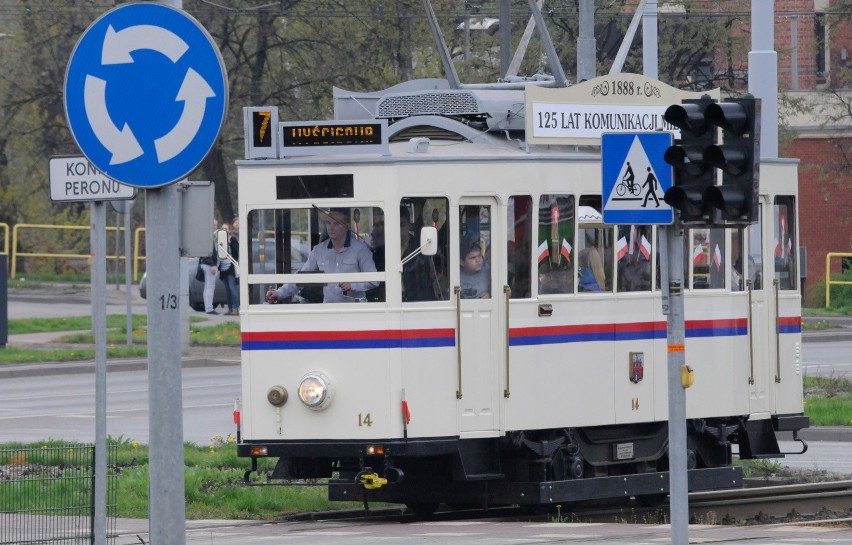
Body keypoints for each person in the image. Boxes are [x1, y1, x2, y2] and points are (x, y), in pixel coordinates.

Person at [266, 208, 378, 303]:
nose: (330, 227)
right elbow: (301, 277)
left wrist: (353, 285)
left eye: (336, 223)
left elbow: (374, 280)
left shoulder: (360, 249)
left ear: (347, 226)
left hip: (356, 314)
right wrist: (278, 293)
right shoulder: (319, 250)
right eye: (328, 223)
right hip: (327, 312)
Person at [400, 207, 438, 302]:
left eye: (402, 225)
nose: (398, 230)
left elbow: (425, 280)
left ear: (409, 225)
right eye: (395, 226)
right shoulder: (382, 251)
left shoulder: (421, 248)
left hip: (415, 301)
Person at [218, 223, 240, 315]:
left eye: (226, 229)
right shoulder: (220, 241)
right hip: (223, 267)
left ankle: (236, 308)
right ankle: (229, 308)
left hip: (231, 266)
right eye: (222, 229)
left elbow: (237, 251)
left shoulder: (232, 239)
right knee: (227, 290)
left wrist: (230, 243)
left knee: (232, 288)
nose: (224, 230)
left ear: (229, 230)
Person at [199, 219, 220, 314]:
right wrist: (213, 264)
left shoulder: (208, 236)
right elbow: (207, 252)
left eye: (216, 225)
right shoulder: (208, 237)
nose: (215, 226)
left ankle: (208, 307)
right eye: (213, 225)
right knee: (210, 287)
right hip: (209, 264)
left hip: (207, 263)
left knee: (208, 287)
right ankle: (209, 308)